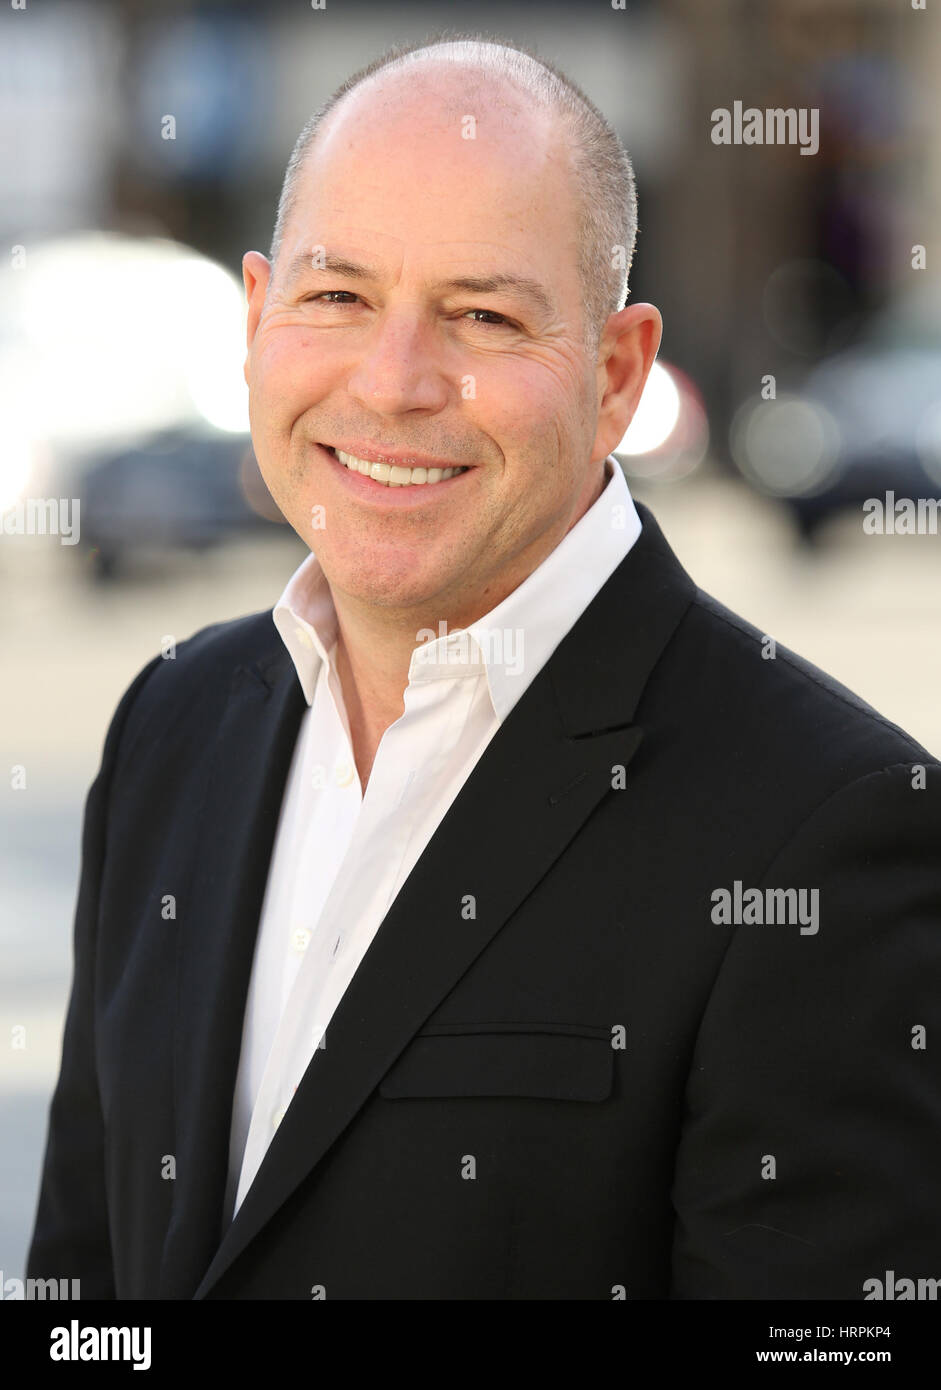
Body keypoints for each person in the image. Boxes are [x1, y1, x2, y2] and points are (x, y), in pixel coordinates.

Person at [28, 33, 941, 1300]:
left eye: (482, 315)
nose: (393, 381)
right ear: (254, 318)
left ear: (615, 374)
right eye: (336, 297)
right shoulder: (171, 725)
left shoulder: (825, 829)